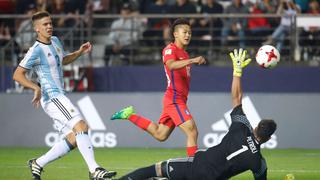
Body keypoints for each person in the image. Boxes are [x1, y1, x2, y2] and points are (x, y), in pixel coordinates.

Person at [118, 48, 277, 180]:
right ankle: (129, 115)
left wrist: (237, 71)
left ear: (256, 126)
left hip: (197, 166)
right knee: (162, 134)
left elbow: (236, 97)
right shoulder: (258, 163)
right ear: (269, 139)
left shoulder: (242, 127)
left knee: (158, 169)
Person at [12, 11, 116, 180]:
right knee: (81, 126)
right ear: (37, 29)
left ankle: (38, 163)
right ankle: (94, 170)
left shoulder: (55, 41)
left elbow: (62, 60)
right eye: (45, 24)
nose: (49, 26)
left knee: (74, 137)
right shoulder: (35, 51)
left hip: (60, 95)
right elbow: (17, 74)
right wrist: (35, 88)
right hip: (52, 97)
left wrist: (79, 53)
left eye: (50, 23)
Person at [110, 18, 206, 157]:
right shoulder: (169, 49)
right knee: (192, 131)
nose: (188, 35)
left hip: (178, 100)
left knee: (160, 135)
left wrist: (189, 59)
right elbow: (171, 65)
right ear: (175, 34)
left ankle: (129, 115)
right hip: (174, 99)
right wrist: (192, 60)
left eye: (190, 33)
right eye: (184, 32)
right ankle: (193, 169)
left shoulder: (184, 54)